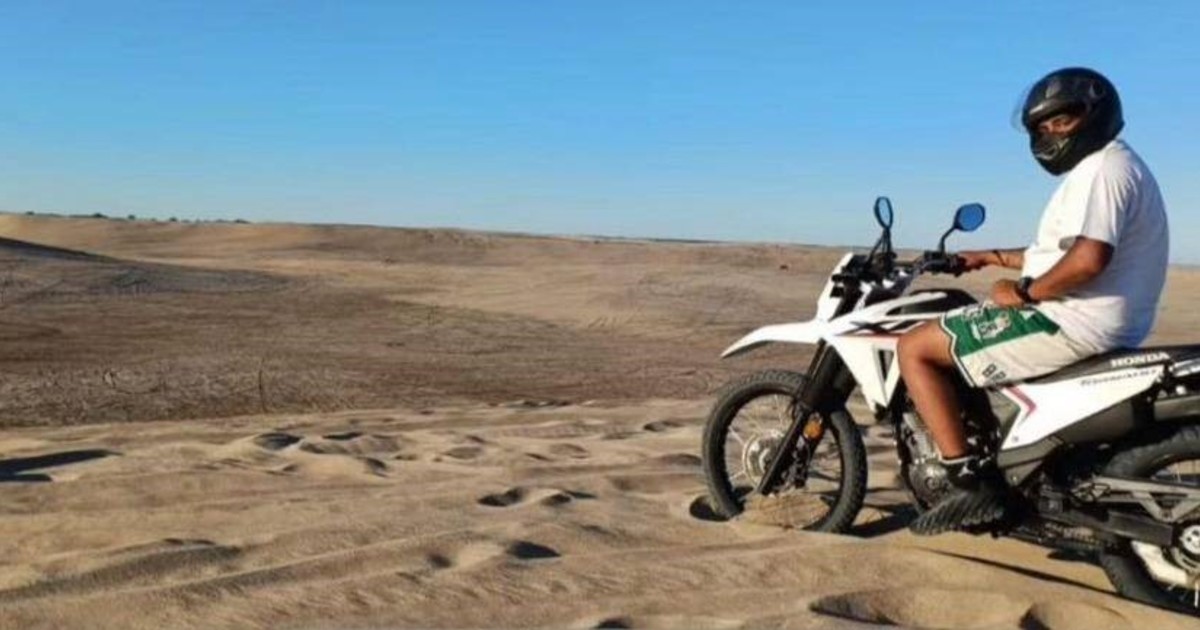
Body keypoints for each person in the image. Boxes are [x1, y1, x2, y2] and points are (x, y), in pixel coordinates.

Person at [896, 67, 1170, 535]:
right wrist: (992, 257)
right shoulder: (1116, 165)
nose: (1051, 134)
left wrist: (1023, 293)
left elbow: (1088, 259)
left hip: (1070, 318)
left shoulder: (1102, 170)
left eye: (1062, 120)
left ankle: (969, 484)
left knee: (915, 348)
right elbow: (1061, 253)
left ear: (1095, 112)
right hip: (1101, 318)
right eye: (1043, 127)